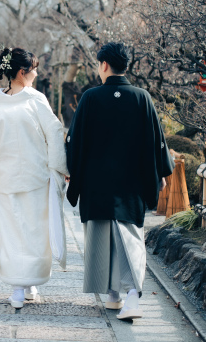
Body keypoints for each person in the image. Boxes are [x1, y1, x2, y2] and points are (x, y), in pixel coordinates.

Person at [66, 42, 173, 321]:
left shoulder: (90, 98)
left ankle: (117, 296)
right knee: (130, 237)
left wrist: (71, 174)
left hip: (97, 182)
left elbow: (75, 143)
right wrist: (159, 173)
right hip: (132, 183)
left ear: (103, 65)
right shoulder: (142, 97)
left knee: (102, 236)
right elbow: (156, 142)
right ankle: (129, 296)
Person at [0, 47, 69, 309]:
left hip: (22, 178)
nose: (36, 73)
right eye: (33, 69)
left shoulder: (17, 100)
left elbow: (54, 132)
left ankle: (23, 285)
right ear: (22, 73)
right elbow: (54, 133)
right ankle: (22, 285)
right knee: (24, 232)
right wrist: (62, 168)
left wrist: (58, 169)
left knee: (23, 232)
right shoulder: (24, 100)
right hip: (20, 178)